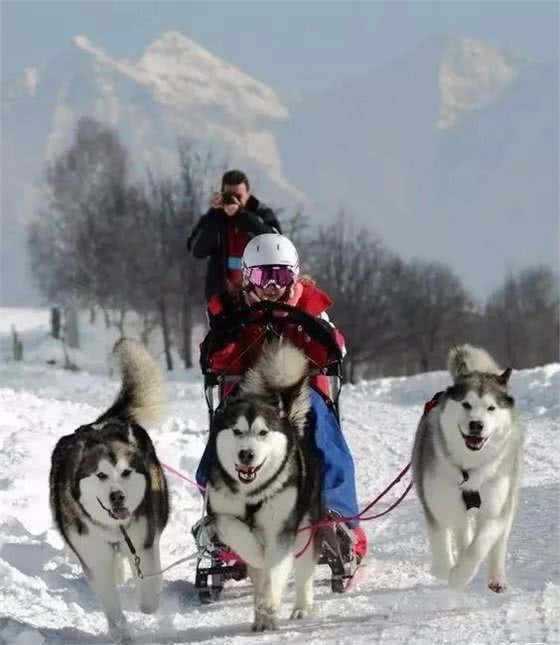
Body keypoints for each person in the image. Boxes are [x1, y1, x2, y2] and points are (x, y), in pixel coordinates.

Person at [196, 233, 367, 561]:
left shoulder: (308, 304)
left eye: (280, 276)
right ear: (248, 278)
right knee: (226, 438)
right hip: (248, 395)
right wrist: (229, 332)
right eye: (263, 277)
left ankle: (338, 520)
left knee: (321, 431)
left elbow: (334, 351)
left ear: (294, 275)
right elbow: (215, 361)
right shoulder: (232, 308)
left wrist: (312, 326)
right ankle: (224, 523)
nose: (272, 286)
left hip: (301, 393)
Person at [187, 169, 281, 301]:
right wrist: (216, 215)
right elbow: (197, 250)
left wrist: (241, 215)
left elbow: (276, 242)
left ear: (248, 194)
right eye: (229, 196)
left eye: (238, 196)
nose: (234, 200)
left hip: (257, 294)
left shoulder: (260, 212)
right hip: (223, 295)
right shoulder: (215, 216)